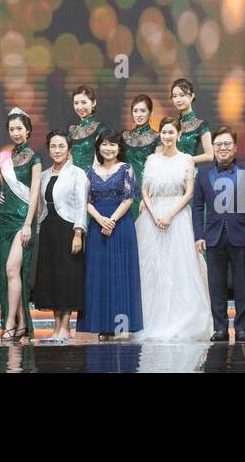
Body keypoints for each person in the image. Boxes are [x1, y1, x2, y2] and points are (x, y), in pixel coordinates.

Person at [136, 117, 212, 341]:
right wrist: (154, 213)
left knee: (179, 267)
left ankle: (181, 318)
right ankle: (150, 320)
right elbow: (145, 191)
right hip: (152, 215)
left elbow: (188, 193)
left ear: (179, 135)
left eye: (171, 132)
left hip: (177, 215)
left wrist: (169, 214)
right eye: (164, 132)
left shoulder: (187, 159)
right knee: (152, 269)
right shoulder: (151, 159)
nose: (167, 136)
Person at [193, 127, 245, 342]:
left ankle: (242, 329)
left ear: (235, 147)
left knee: (242, 286)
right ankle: (220, 328)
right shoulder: (203, 173)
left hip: (242, 236)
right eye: (218, 145)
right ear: (213, 148)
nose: (223, 148)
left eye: (227, 144)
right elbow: (197, 206)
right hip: (213, 237)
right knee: (216, 286)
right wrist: (199, 235)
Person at [78, 132, 141, 337]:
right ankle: (102, 326)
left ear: (119, 148)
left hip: (121, 225)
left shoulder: (126, 169)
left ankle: (120, 327)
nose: (108, 148)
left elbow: (129, 198)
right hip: (97, 226)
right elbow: (85, 201)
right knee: (99, 275)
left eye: (112, 145)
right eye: (104, 145)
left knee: (120, 273)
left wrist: (111, 220)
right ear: (98, 148)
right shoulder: (89, 171)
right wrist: (100, 219)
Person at [34, 130, 88, 340]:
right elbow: (40, 205)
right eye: (53, 146)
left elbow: (82, 205)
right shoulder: (45, 174)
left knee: (68, 278)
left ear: (69, 150)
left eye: (61, 146)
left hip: (68, 229)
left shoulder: (77, 173)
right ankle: (56, 327)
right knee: (53, 279)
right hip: (49, 229)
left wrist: (78, 233)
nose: (57, 150)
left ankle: (65, 326)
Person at [0, 107, 41, 340]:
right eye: (12, 129)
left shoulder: (35, 158)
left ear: (28, 130)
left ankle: (10, 322)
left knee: (12, 269)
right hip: (4, 219)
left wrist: (27, 224)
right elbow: (3, 189)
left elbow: (34, 194)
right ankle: (21, 323)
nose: (15, 133)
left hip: (23, 221)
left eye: (19, 128)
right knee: (9, 274)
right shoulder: (4, 158)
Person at [122, 94, 158, 218]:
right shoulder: (124, 136)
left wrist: (148, 196)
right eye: (135, 111)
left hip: (147, 191)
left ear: (150, 113)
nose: (139, 114)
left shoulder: (157, 137)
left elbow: (158, 170)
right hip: (126, 191)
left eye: (143, 111)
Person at [170, 78, 213, 162]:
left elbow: (209, 156)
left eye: (182, 95)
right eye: (174, 96)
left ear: (192, 96)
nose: (178, 100)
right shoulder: (172, 125)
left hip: (189, 172)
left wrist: (185, 160)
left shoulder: (201, 125)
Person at [67, 85, 106, 175]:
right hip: (72, 177)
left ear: (93, 103)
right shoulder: (72, 130)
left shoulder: (99, 128)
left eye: (84, 102)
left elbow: (102, 158)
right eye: (76, 103)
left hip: (92, 177)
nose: (80, 107)